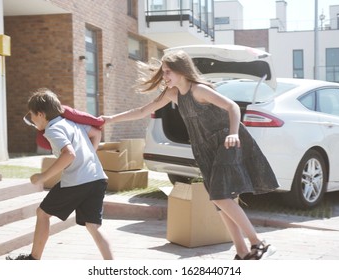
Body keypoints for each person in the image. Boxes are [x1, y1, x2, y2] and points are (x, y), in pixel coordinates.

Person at [101, 50, 279, 260]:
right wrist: (109, 119)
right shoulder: (172, 94)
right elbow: (142, 110)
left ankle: (260, 243)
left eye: (168, 72)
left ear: (181, 71)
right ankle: (242, 252)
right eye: (163, 72)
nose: (164, 76)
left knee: (221, 196)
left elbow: (232, 107)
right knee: (219, 200)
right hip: (205, 150)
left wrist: (232, 134)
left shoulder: (199, 90)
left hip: (226, 141)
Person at [7, 88, 113, 260]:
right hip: (97, 178)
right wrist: (89, 156)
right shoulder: (72, 123)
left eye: (32, 116)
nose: (32, 121)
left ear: (41, 114)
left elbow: (69, 154)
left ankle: (33, 259)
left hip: (78, 181)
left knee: (42, 213)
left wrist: (43, 177)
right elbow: (97, 132)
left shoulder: (52, 129)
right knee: (93, 226)